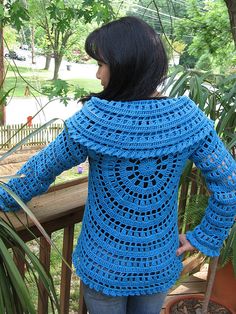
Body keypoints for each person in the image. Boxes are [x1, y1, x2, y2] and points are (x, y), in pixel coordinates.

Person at [0, 16, 235, 314]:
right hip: (158, 261)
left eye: (101, 63)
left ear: (124, 65)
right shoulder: (188, 119)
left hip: (104, 263)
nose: (98, 73)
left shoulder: (95, 120)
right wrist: (205, 235)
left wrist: (6, 197)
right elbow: (229, 182)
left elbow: (39, 171)